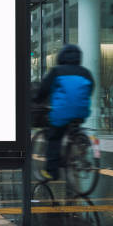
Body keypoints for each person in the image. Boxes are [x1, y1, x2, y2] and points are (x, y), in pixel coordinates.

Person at [34, 44, 94, 180]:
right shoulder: (85, 72)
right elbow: (91, 88)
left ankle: (51, 172)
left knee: (54, 137)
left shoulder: (56, 71)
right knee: (73, 128)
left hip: (62, 112)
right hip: (81, 111)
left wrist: (37, 100)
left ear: (61, 56)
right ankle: (80, 152)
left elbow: (44, 88)